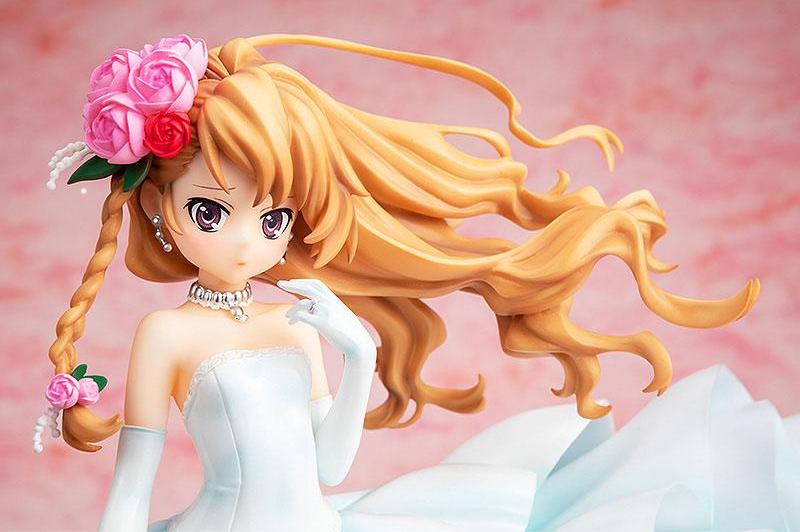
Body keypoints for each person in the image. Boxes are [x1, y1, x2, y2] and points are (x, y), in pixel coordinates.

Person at [33, 33, 797, 531]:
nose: (246, 241)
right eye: (211, 210)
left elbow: (329, 469)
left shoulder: (298, 321)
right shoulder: (166, 334)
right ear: (162, 208)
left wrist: (359, 353)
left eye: (274, 219)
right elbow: (130, 492)